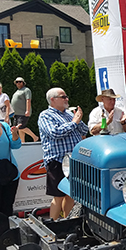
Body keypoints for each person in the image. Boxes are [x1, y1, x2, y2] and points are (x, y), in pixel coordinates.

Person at [38, 88, 89, 220]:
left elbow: (85, 130)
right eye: (63, 97)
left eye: (66, 96)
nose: (67, 99)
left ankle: (68, 222)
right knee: (59, 195)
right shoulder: (46, 115)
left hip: (73, 160)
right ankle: (53, 224)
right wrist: (73, 123)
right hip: (57, 161)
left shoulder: (68, 114)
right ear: (52, 100)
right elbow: (55, 133)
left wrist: (78, 119)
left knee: (71, 194)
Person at [11, 77, 39, 143]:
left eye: (20, 82)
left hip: (23, 113)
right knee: (19, 129)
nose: (18, 83)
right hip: (16, 113)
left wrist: (28, 110)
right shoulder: (17, 91)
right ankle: (23, 142)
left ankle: (35, 137)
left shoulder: (26, 90)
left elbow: (28, 100)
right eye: (17, 82)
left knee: (21, 127)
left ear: (23, 83)